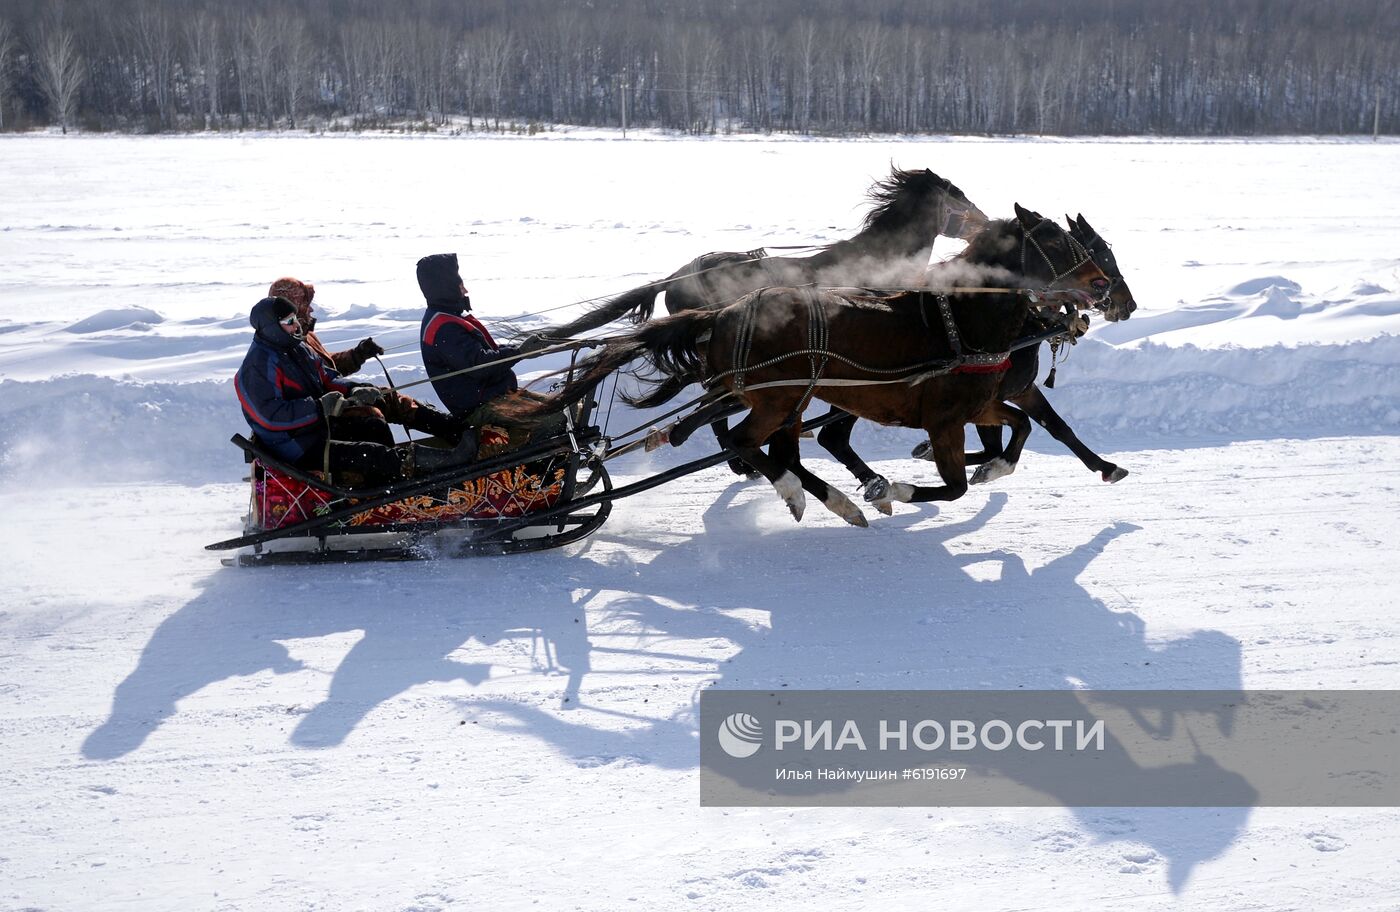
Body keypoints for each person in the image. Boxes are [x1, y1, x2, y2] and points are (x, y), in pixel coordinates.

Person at [268, 275, 470, 452]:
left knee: (388, 397)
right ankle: (395, 466)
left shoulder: (305, 336)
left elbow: (327, 367)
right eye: (305, 303)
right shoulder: (289, 345)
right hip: (326, 411)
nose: (311, 308)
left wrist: (358, 354)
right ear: (294, 306)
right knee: (371, 415)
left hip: (334, 398)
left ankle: (454, 431)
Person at [235, 296, 405, 487]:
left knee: (375, 427)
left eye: (296, 319)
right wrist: (318, 407)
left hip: (315, 430)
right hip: (293, 446)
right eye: (289, 321)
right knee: (373, 455)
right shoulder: (257, 366)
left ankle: (387, 488)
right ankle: (386, 495)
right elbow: (271, 416)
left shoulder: (297, 348)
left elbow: (327, 378)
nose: (297, 325)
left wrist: (354, 389)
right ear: (271, 327)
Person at [416, 253, 558, 454]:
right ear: (445, 285)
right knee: (553, 420)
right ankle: (529, 469)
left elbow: (479, 355)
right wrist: (519, 353)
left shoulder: (446, 317)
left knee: (563, 407)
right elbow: (479, 365)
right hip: (480, 407)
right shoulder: (444, 327)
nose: (465, 288)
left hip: (492, 395)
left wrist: (517, 351)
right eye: (459, 281)